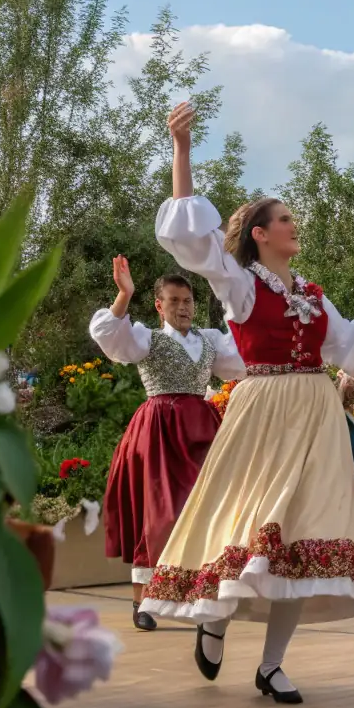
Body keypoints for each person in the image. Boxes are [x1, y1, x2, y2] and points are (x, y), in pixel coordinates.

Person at [140, 102, 354, 704]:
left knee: (307, 531)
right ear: (259, 234)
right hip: (264, 410)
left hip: (316, 414)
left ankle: (271, 666)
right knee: (252, 521)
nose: (296, 226)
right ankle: (215, 616)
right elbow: (193, 243)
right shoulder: (241, 286)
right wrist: (183, 153)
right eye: (285, 219)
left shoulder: (314, 298)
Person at [90, 259, 246, 631]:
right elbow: (109, 334)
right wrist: (124, 294)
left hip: (202, 431)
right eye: (174, 300)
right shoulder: (147, 338)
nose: (183, 307)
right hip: (159, 430)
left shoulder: (210, 340)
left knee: (205, 510)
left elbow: (243, 361)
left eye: (188, 300)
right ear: (159, 305)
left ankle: (199, 596)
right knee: (158, 513)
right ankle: (142, 601)